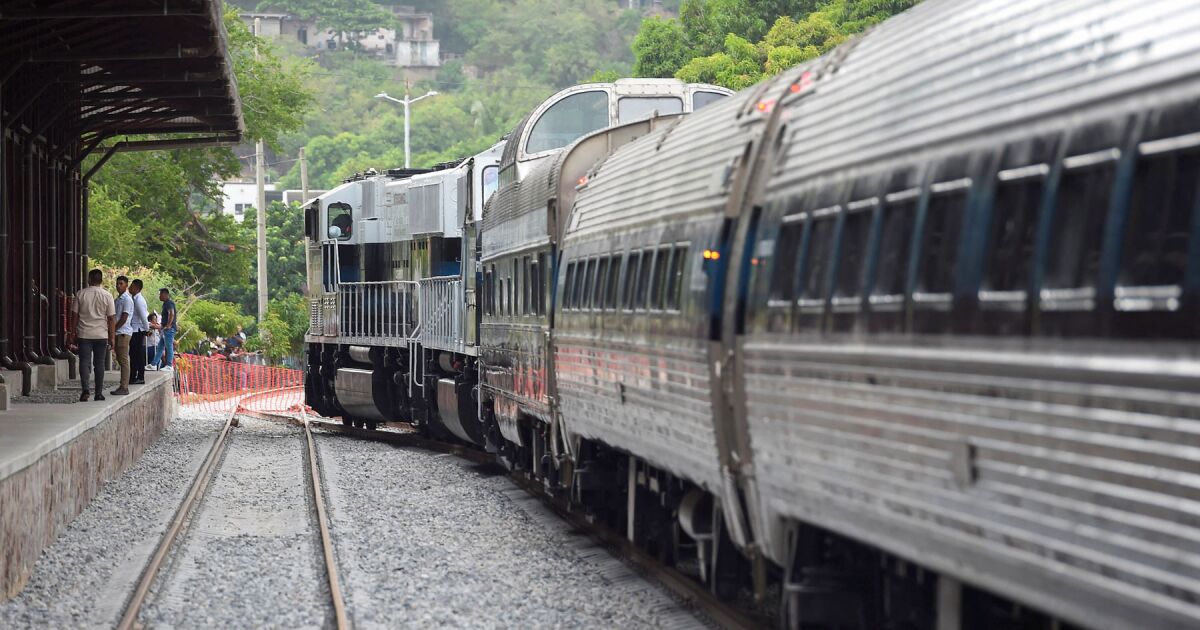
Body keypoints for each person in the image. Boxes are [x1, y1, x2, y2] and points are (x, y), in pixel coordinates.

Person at [69, 269, 115, 402]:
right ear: (101, 280)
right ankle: (99, 393)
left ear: (89, 279)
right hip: (101, 334)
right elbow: (111, 318)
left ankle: (85, 390)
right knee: (99, 364)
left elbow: (75, 316)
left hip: (84, 334)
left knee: (84, 362)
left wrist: (72, 333)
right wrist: (112, 337)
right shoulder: (107, 295)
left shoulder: (80, 294)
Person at [111, 276, 133, 396]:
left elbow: (124, 317)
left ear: (126, 286)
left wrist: (114, 329)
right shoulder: (117, 300)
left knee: (124, 360)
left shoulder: (127, 300)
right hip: (119, 332)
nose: (118, 286)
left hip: (123, 332)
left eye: (121, 283)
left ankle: (124, 386)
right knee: (120, 359)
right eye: (117, 283)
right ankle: (122, 385)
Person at [150, 288, 177, 371]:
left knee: (168, 347)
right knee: (160, 347)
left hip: (169, 329)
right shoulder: (165, 304)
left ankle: (169, 365)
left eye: (160, 294)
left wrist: (168, 325)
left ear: (165, 294)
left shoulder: (169, 303)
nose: (159, 296)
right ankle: (154, 364)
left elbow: (171, 313)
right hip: (164, 329)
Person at [129, 279, 149, 385]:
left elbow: (143, 316)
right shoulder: (134, 299)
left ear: (136, 288)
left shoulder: (139, 300)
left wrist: (147, 329)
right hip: (134, 329)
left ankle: (139, 376)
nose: (129, 288)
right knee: (134, 354)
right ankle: (133, 375)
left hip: (137, 330)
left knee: (137, 354)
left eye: (131, 286)